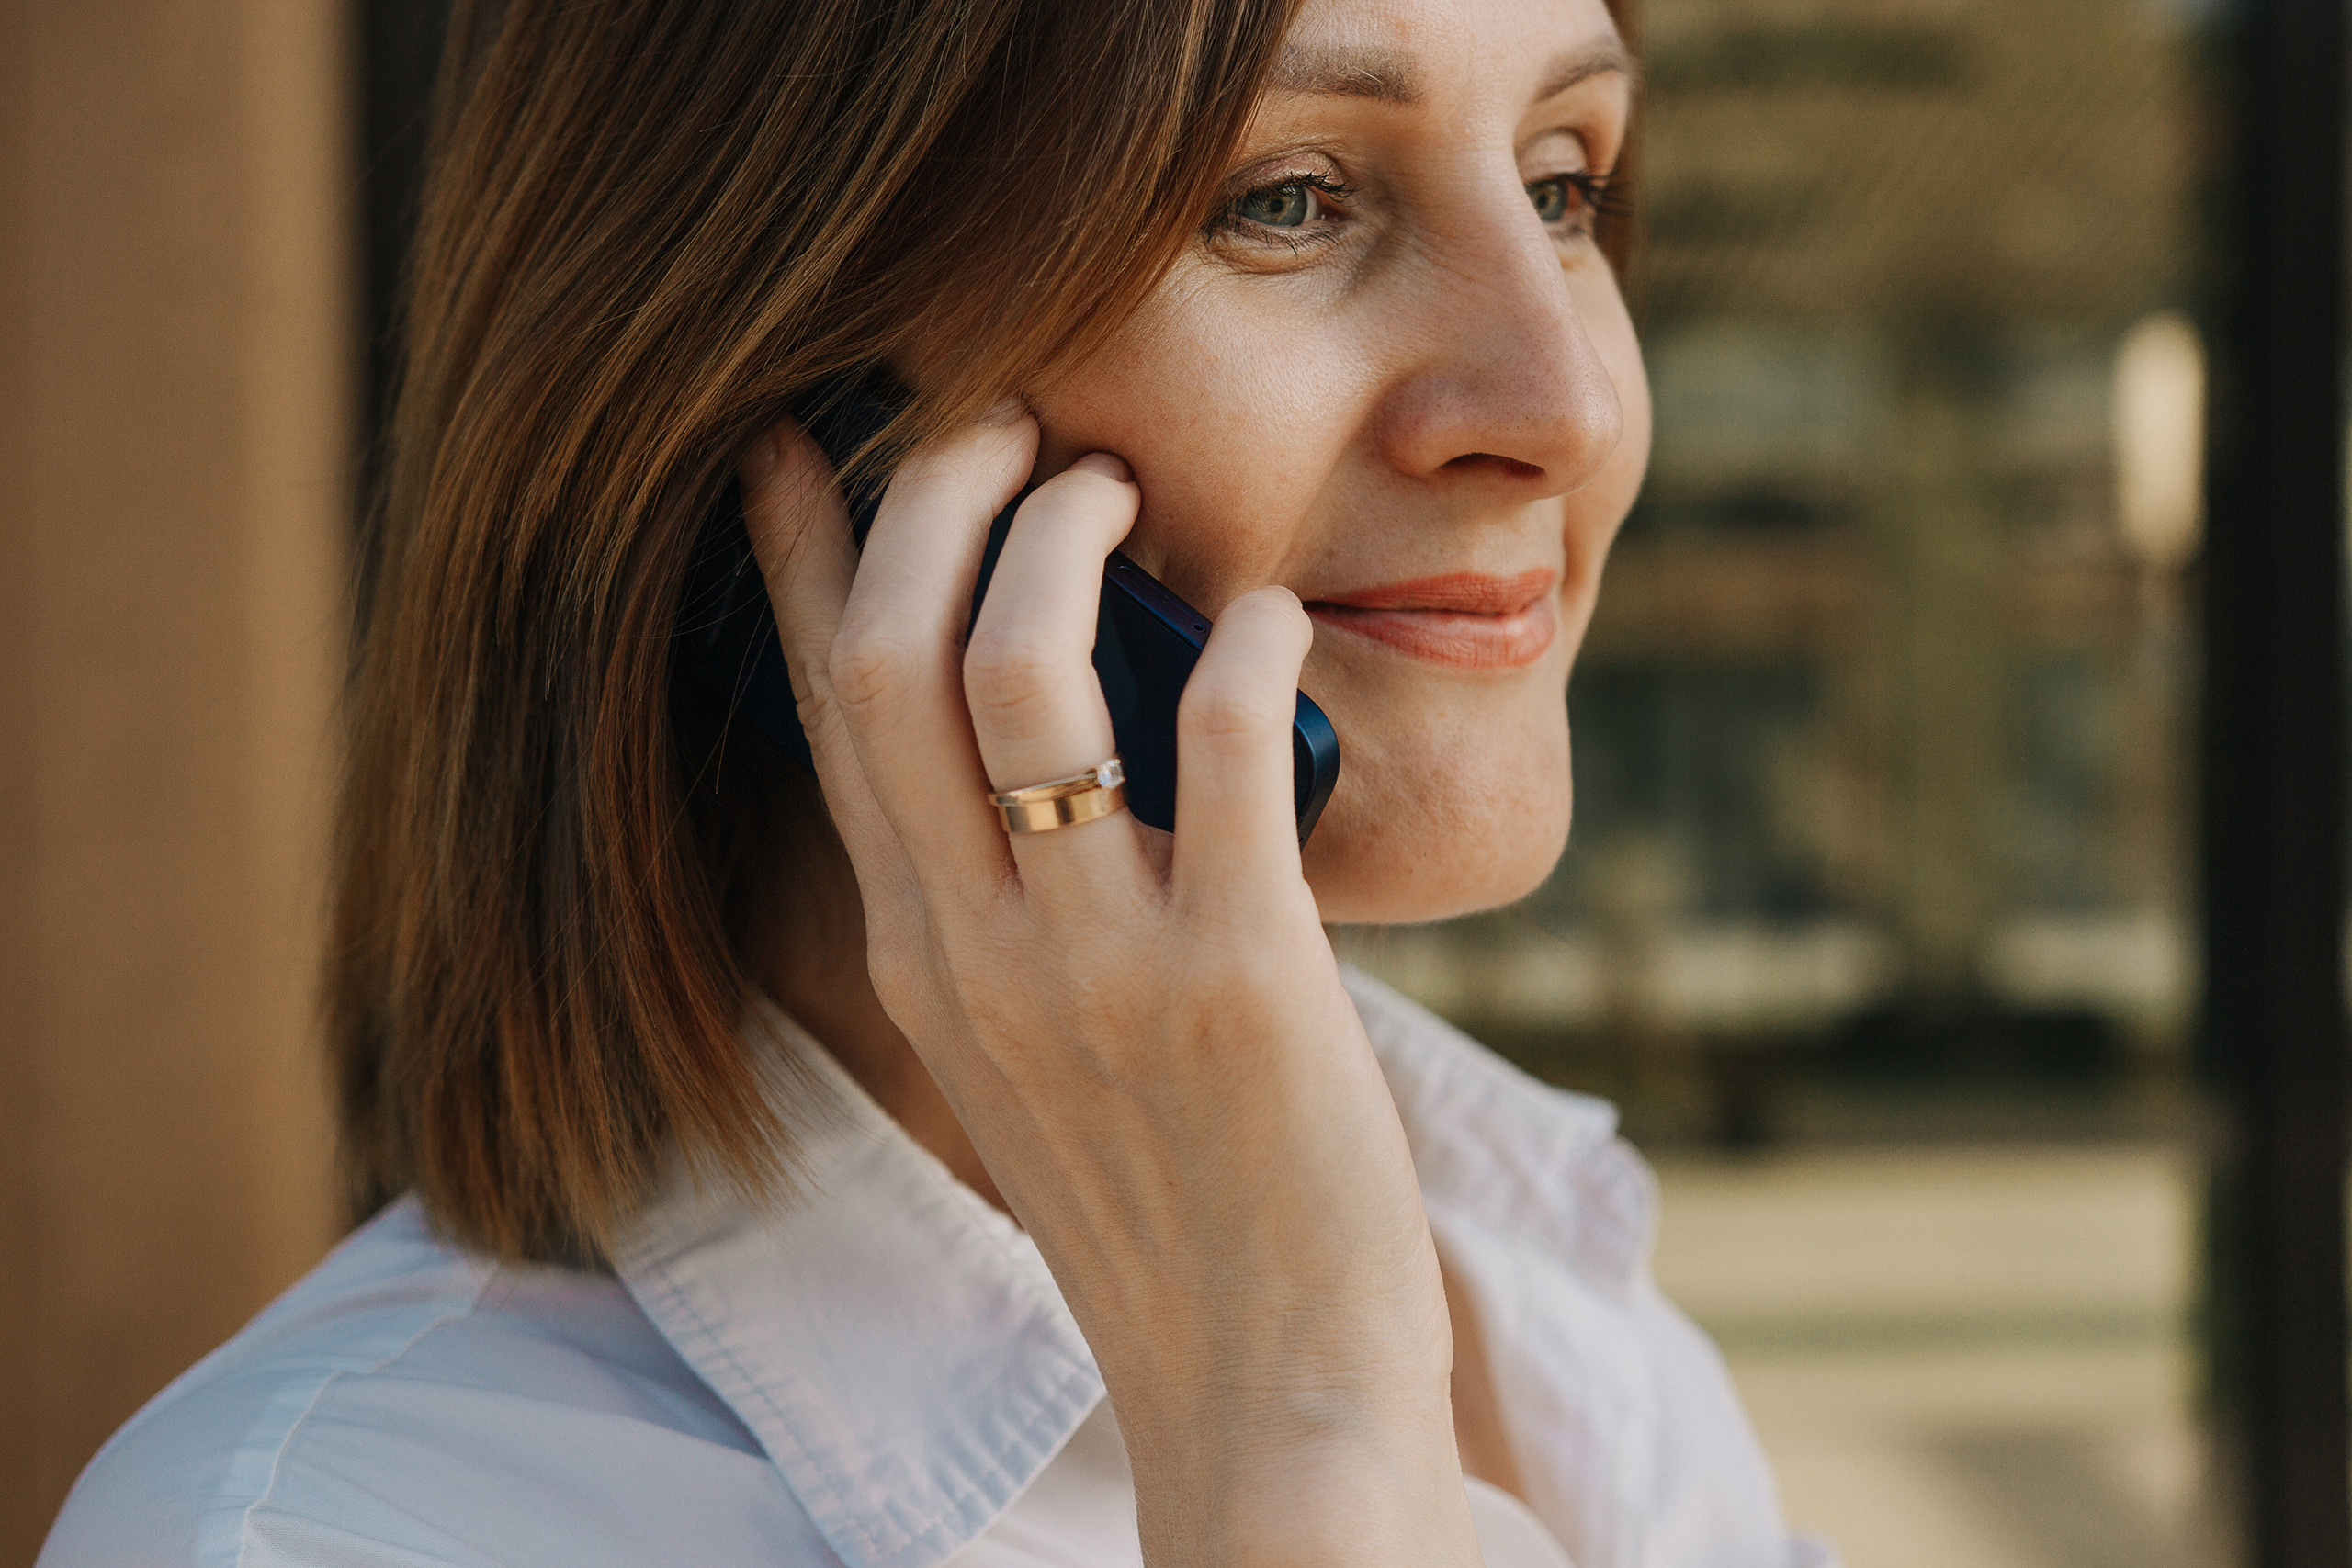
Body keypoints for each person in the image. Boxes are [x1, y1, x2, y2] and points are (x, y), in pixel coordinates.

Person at [43, 0, 1834, 1563]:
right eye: (1283, 197)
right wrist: (1299, 1443)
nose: (1567, 399)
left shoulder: (1549, 1300)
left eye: (1556, 182)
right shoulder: (316, 1532)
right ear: (808, 415)